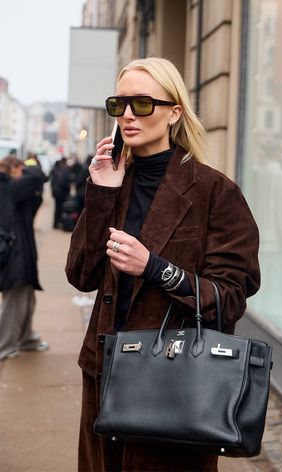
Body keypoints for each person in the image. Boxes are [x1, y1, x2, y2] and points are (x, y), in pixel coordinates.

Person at [65, 57, 260, 472]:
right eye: (119, 105)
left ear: (174, 112)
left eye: (142, 103)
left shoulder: (214, 192)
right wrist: (100, 194)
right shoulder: (114, 182)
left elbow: (229, 298)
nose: (129, 116)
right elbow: (81, 276)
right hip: (103, 373)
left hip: (174, 382)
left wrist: (154, 267)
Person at [0, 156, 49, 360]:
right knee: (14, 301)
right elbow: (39, 176)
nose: (24, 172)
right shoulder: (8, 186)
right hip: (14, 255)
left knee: (26, 298)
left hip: (19, 252)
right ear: (12, 169)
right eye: (20, 168)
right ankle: (5, 345)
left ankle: (25, 338)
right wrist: (29, 166)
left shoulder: (11, 188)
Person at [50, 156, 71, 228]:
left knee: (57, 208)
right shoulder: (64, 169)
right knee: (61, 208)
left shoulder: (55, 169)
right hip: (61, 192)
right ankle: (59, 223)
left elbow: (52, 182)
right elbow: (63, 182)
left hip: (56, 191)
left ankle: (56, 223)